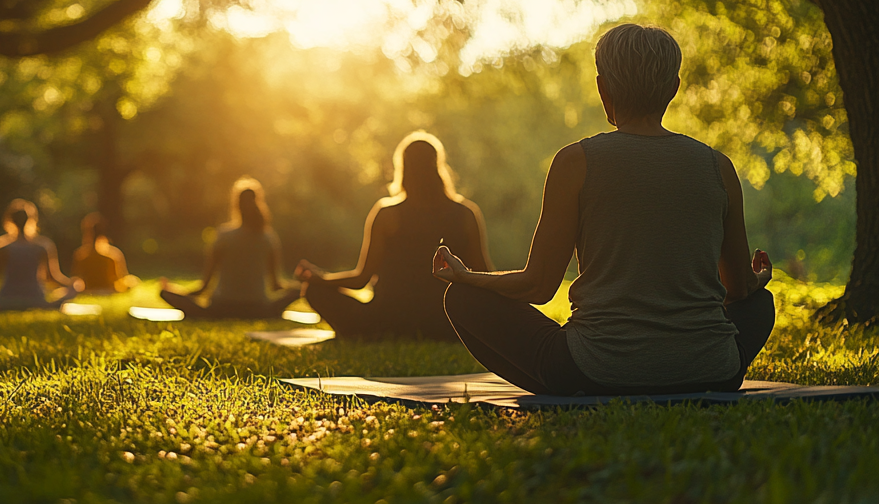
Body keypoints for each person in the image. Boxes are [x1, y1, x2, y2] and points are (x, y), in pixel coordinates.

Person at [434, 23, 775, 396]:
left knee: (462, 300)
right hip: (712, 371)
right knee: (761, 302)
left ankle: (566, 387)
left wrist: (468, 279)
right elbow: (739, 289)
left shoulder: (575, 162)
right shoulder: (718, 166)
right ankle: (688, 362)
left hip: (593, 369)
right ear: (674, 89)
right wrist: (758, 280)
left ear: (603, 88)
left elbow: (538, 285)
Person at [295, 132, 492, 341]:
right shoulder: (466, 214)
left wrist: (321, 279)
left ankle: (362, 333)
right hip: (446, 322)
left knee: (314, 291)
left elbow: (361, 278)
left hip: (387, 319)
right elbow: (484, 276)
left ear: (403, 168)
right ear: (438, 166)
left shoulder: (386, 213)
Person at [160, 178, 301, 319]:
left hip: (221, 308)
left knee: (165, 293)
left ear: (236, 205)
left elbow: (204, 287)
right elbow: (276, 285)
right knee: (299, 291)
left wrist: (178, 293)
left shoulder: (224, 235)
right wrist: (298, 287)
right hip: (258, 309)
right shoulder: (268, 238)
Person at [0, 199, 81, 311]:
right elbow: (54, 278)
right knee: (69, 292)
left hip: (6, 300)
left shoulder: (2, 246)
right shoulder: (43, 246)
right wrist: (73, 284)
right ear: (31, 220)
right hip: (36, 300)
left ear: (9, 221)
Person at [71, 212, 138, 294]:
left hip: (88, 290)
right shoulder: (113, 255)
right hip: (109, 290)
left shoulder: (80, 255)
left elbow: (76, 278)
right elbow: (120, 278)